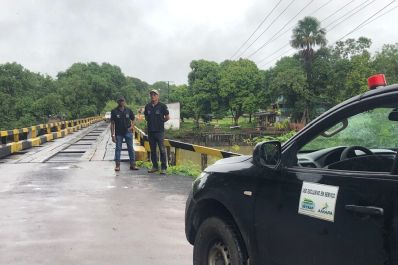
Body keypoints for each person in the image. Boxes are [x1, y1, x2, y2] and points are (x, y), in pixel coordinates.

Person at [144, 89, 170, 174]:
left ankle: (163, 168)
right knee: (153, 150)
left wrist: (160, 121)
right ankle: (155, 166)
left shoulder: (162, 106)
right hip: (151, 131)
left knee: (162, 149)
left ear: (158, 96)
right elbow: (146, 117)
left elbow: (167, 117)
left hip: (159, 132)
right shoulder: (147, 106)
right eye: (151, 95)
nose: (153, 96)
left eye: (154, 95)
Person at [111, 96, 139, 171]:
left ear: (124, 101)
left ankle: (132, 165)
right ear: (118, 102)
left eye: (122, 101)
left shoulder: (128, 110)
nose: (121, 102)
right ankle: (117, 165)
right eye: (120, 101)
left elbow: (133, 119)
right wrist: (112, 135)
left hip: (128, 132)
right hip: (118, 133)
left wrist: (132, 127)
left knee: (130, 148)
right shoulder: (114, 111)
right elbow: (112, 123)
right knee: (118, 149)